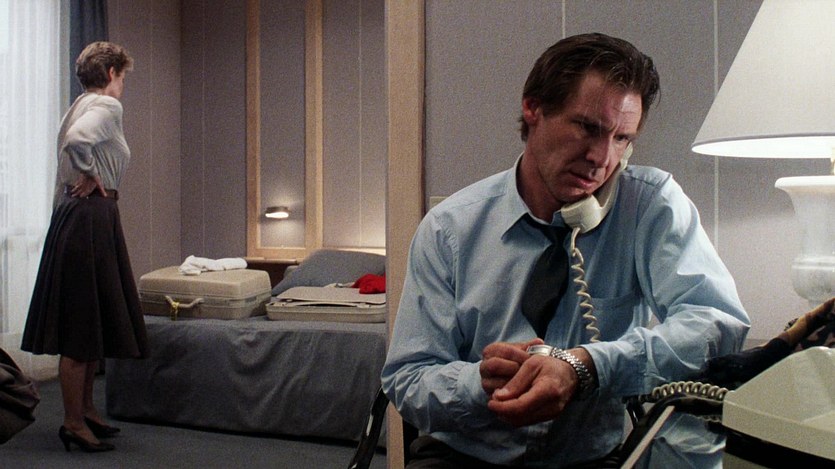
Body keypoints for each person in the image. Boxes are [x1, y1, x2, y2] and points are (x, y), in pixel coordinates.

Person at [381, 33, 750, 468]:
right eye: (589, 128)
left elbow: (717, 323)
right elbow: (408, 378)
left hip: (588, 460)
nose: (602, 158)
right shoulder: (450, 229)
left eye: (622, 139)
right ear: (533, 108)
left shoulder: (648, 206)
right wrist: (478, 383)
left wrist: (589, 365)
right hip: (464, 456)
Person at [21, 41, 148, 453]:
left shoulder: (80, 104)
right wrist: (92, 173)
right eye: (123, 76)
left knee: (90, 318)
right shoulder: (107, 106)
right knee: (81, 323)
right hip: (90, 217)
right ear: (111, 73)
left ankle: (87, 411)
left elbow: (73, 143)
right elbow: (77, 142)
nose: (123, 84)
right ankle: (74, 422)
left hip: (82, 217)